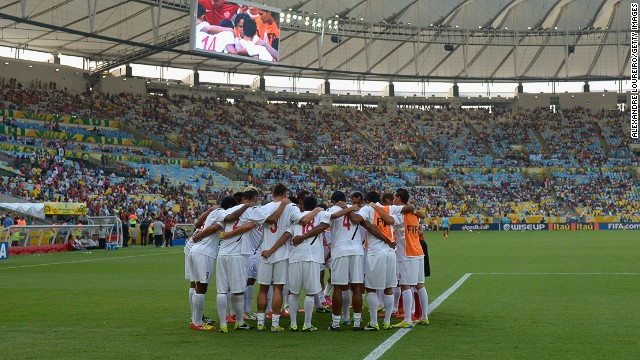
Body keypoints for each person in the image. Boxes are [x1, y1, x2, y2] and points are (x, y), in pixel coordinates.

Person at [244, 183, 319, 332]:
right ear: (285, 194)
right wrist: (317, 210)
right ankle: (275, 324)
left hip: (265, 252)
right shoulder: (291, 207)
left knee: (263, 288)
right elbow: (303, 221)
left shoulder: (264, 207)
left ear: (272, 194)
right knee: (278, 288)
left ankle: (260, 322)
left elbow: (265, 221)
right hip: (282, 254)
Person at [286, 196, 330, 332]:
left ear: (302, 205)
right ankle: (307, 324)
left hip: (295, 257)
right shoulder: (321, 214)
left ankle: (293, 324)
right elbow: (324, 225)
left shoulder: (296, 217)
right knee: (310, 293)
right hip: (312, 257)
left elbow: (287, 235)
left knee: (293, 293)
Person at [386, 188, 430, 328]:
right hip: (418, 252)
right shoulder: (414, 215)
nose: (393, 200)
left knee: (406, 285)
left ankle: (407, 319)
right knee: (420, 285)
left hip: (406, 253)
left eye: (394, 197)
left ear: (399, 199)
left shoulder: (401, 215)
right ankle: (424, 317)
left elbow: (388, 220)